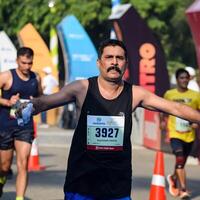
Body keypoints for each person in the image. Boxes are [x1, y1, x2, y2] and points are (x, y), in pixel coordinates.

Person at [16, 39, 200, 200]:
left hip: (117, 184)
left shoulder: (135, 94)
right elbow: (45, 102)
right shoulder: (82, 88)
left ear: (126, 64)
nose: (114, 62)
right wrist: (21, 108)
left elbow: (176, 108)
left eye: (119, 58)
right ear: (98, 63)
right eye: (109, 57)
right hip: (81, 182)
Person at [0, 47, 43, 199]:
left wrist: (36, 102)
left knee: (22, 164)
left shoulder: (36, 78)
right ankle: (2, 178)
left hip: (25, 126)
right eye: (23, 63)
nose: (26, 67)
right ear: (17, 60)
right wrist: (7, 101)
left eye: (29, 63)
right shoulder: (6, 76)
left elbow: (40, 98)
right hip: (5, 126)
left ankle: (19, 198)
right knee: (4, 166)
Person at [161, 68, 200, 199]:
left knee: (181, 163)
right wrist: (162, 121)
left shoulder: (196, 95)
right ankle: (183, 190)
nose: (184, 80)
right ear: (177, 80)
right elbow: (162, 109)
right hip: (175, 133)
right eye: (181, 78)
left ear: (189, 79)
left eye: (186, 78)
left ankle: (172, 178)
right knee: (179, 158)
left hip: (189, 135)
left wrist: (196, 123)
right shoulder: (169, 94)